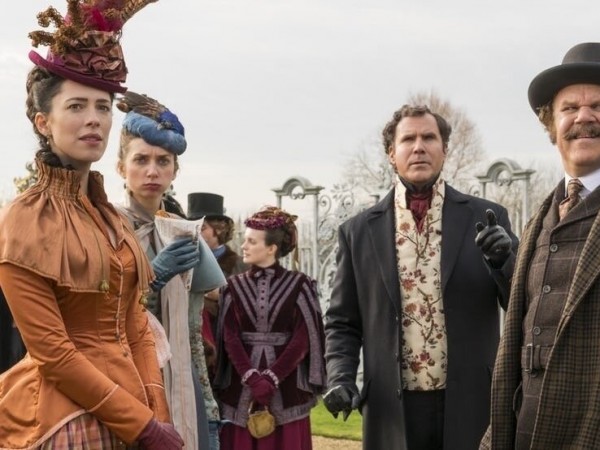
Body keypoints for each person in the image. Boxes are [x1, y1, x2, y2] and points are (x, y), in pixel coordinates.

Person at [0, 1, 184, 449]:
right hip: (67, 420)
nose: (93, 119)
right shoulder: (23, 220)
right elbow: (54, 354)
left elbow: (137, 326)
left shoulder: (110, 217)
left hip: (135, 413)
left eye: (103, 107)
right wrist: (142, 426)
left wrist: (157, 414)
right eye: (77, 106)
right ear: (44, 122)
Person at [323, 104, 519, 450]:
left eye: (429, 137)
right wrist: (340, 377)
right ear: (391, 153)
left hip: (471, 401)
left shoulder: (488, 217)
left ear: (445, 149)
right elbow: (342, 323)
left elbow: (520, 302)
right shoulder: (357, 232)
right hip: (390, 407)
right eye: (408, 139)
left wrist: (505, 261)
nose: (419, 147)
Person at [480, 42, 600, 450]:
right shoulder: (539, 220)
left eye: (598, 106)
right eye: (570, 108)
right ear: (553, 124)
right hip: (525, 431)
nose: (584, 117)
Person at [115, 91, 226, 450]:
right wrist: (150, 277)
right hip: (126, 378)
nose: (152, 171)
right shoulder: (106, 227)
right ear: (121, 168)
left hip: (182, 378)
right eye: (141, 159)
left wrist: (205, 399)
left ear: (175, 171)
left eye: (163, 161)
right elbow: (96, 314)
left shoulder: (183, 232)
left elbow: (201, 316)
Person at [214, 206, 326, 450]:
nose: (243, 246)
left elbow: (303, 338)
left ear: (271, 248)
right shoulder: (232, 286)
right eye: (245, 240)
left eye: (252, 241)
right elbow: (229, 337)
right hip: (240, 385)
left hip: (287, 387)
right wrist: (251, 377)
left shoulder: (300, 285)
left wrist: (273, 377)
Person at [188, 192, 248, 381]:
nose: (195, 232)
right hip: (191, 355)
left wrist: (224, 295)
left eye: (202, 227)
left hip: (230, 356)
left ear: (219, 229)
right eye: (192, 226)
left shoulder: (241, 266)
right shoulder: (183, 263)